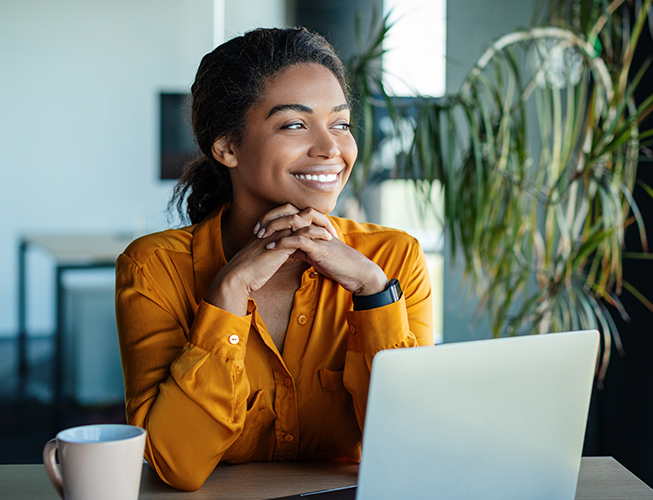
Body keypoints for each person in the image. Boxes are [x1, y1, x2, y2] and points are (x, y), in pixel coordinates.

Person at [115, 27, 433, 491]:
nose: (331, 149)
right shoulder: (154, 268)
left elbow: (415, 447)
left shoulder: (391, 260)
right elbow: (175, 465)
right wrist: (227, 295)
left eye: (340, 124)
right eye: (294, 124)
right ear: (226, 147)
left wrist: (373, 294)